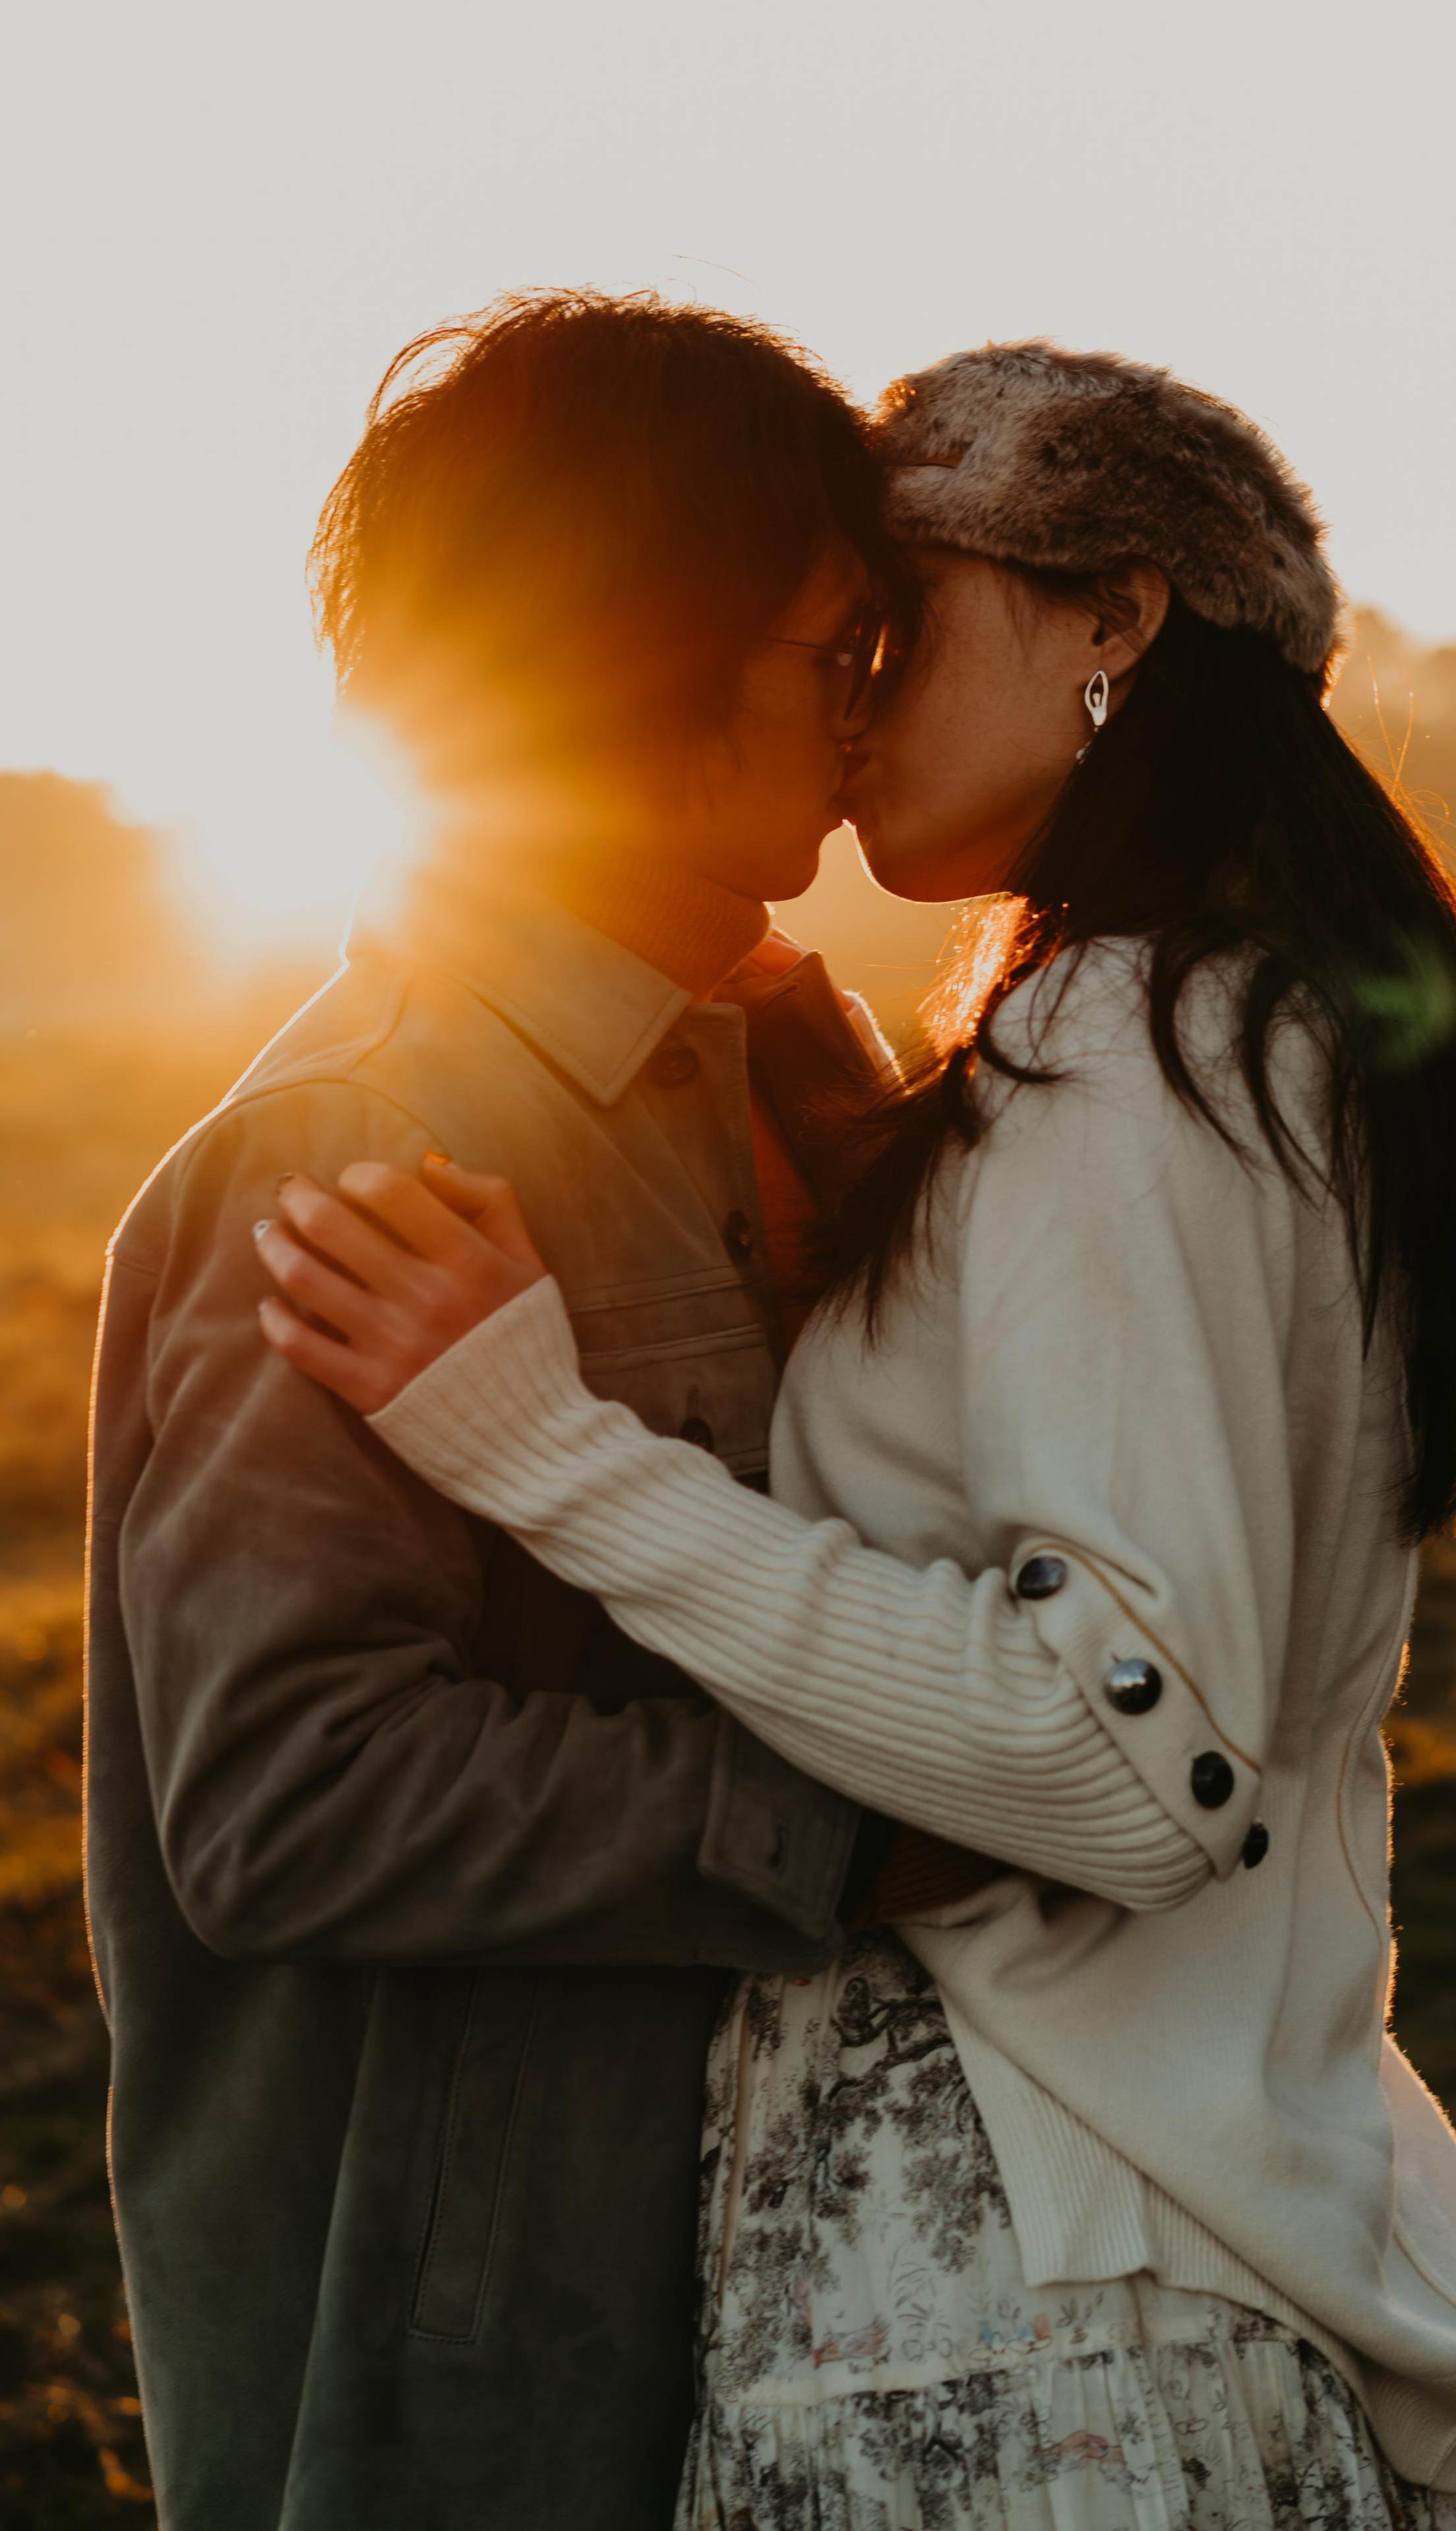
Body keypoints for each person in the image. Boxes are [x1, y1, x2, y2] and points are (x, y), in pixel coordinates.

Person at [256, 342, 1456, 2529]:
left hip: (1030, 2287)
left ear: (1117, 616)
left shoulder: (1139, 1035)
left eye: (897, 630)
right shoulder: (1218, 1013)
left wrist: (547, 1452)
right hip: (1119, 2230)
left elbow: (1130, 1753)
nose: (852, 699)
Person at [84, 289, 930, 2531]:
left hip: (765, 2297)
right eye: (837, 647)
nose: (876, 710)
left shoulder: (753, 1074)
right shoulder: (362, 1149)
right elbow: (286, 1796)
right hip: (472, 2384)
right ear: (640, 656)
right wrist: (859, 1828)